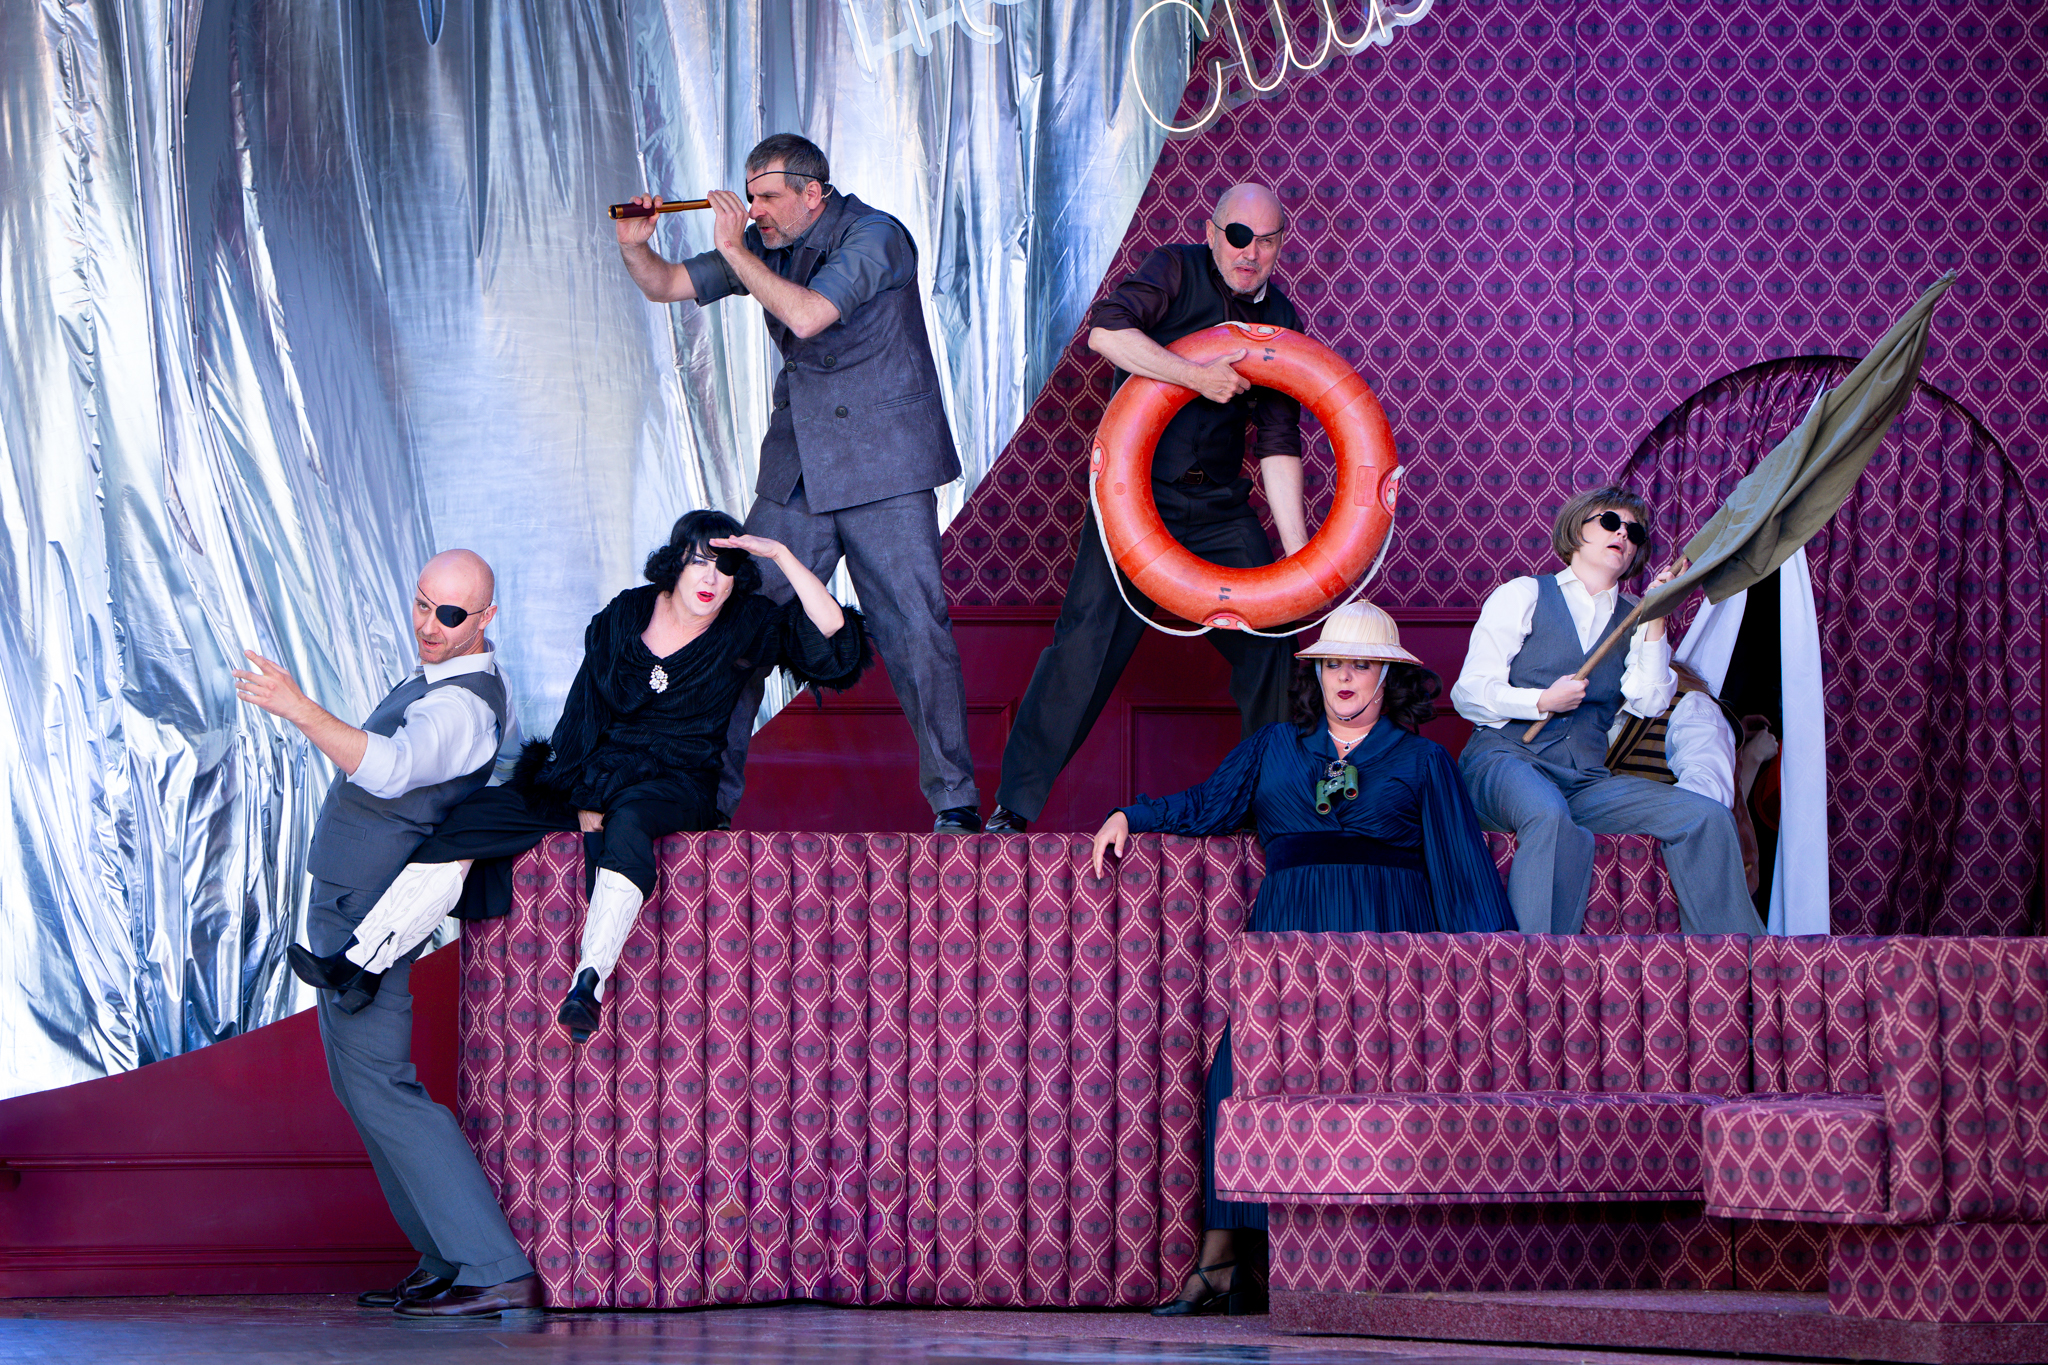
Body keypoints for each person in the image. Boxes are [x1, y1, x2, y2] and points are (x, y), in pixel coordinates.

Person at [288, 510, 868, 1046]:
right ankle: (359, 962)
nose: (711, 578)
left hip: (677, 781)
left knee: (630, 822)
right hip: (592, 767)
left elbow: (837, 647)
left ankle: (587, 983)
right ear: (675, 562)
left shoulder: (748, 624)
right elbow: (584, 710)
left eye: (726, 567)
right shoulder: (625, 613)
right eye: (699, 561)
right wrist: (584, 793)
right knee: (471, 820)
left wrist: (780, 555)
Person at [1089, 601, 1512, 1316]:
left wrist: (1486, 976)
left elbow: (1461, 869)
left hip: (1386, 953)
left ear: (1387, 678)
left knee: (1366, 1091)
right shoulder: (1275, 748)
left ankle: (1340, 1270)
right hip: (1286, 953)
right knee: (1236, 1081)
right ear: (1316, 674)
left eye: (1362, 665)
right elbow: (1209, 804)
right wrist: (1133, 814)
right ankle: (1221, 1264)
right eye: (1333, 664)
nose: (1345, 676)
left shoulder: (1424, 761)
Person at [615, 133, 979, 832]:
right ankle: (702, 803)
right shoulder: (764, 242)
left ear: (813, 194)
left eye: (767, 197)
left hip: (886, 466)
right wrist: (636, 247)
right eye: (749, 197)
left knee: (915, 630)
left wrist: (736, 252)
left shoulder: (876, 235)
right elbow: (664, 284)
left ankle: (955, 803)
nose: (754, 210)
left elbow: (809, 315)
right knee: (735, 626)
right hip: (799, 469)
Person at [233, 550, 541, 1319]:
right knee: (361, 1087)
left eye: (450, 614)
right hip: (350, 899)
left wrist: (299, 709)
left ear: (487, 619)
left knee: (383, 1086)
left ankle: (493, 1265)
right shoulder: (438, 677)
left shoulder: (461, 704)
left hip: (369, 909)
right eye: (422, 603)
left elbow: (395, 768)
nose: (429, 624)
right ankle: (445, 1256)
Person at [987, 182, 1311, 834]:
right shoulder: (1175, 270)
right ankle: (1012, 809)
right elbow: (1106, 335)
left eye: (1265, 240)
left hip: (1218, 507)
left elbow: (1279, 441)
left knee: (1273, 637)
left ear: (1280, 246)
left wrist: (1303, 558)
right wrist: (1195, 376)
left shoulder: (1283, 320)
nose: (1248, 252)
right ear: (1213, 234)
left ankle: (1268, 806)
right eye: (1237, 236)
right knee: (1085, 647)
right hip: (1135, 496)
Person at [1450, 487, 1764, 936]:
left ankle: (1735, 957)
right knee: (1548, 816)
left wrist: (1656, 616)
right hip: (1504, 761)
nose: (1623, 535)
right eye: (1611, 523)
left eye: (1634, 532)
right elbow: (1469, 693)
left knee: (1704, 817)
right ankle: (1532, 963)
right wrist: (1540, 701)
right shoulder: (1523, 595)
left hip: (1584, 779)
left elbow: (1650, 700)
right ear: (1576, 529)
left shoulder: (1636, 615)